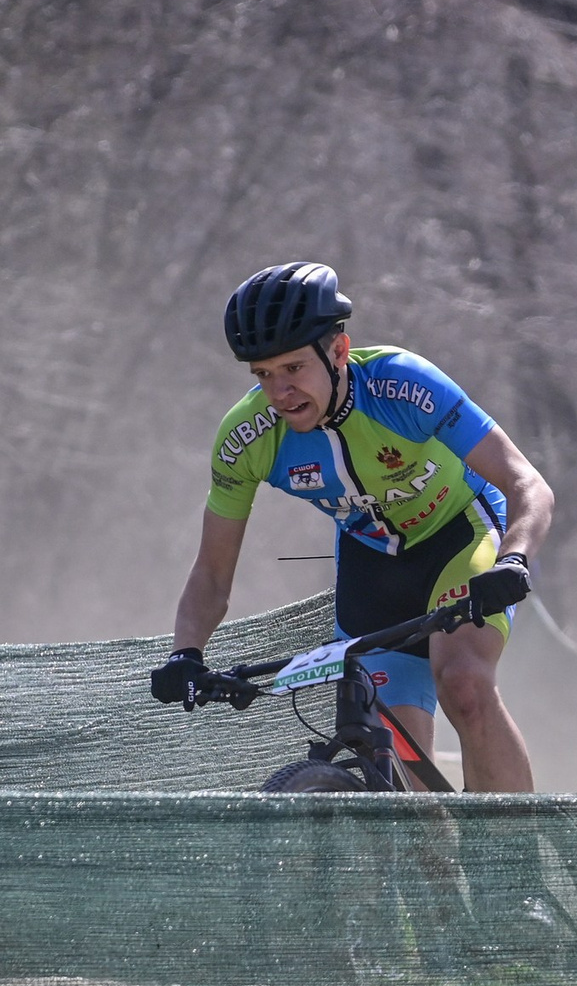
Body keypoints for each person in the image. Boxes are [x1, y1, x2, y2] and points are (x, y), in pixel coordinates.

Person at [150, 262, 554, 791]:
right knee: (403, 766)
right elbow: (210, 574)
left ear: (338, 352)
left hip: (461, 538)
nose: (280, 392)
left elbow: (529, 485)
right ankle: (437, 871)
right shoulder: (247, 438)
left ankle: (511, 864)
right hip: (372, 568)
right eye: (263, 374)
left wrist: (514, 559)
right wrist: (186, 652)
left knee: (464, 686)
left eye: (293, 368)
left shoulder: (402, 386)